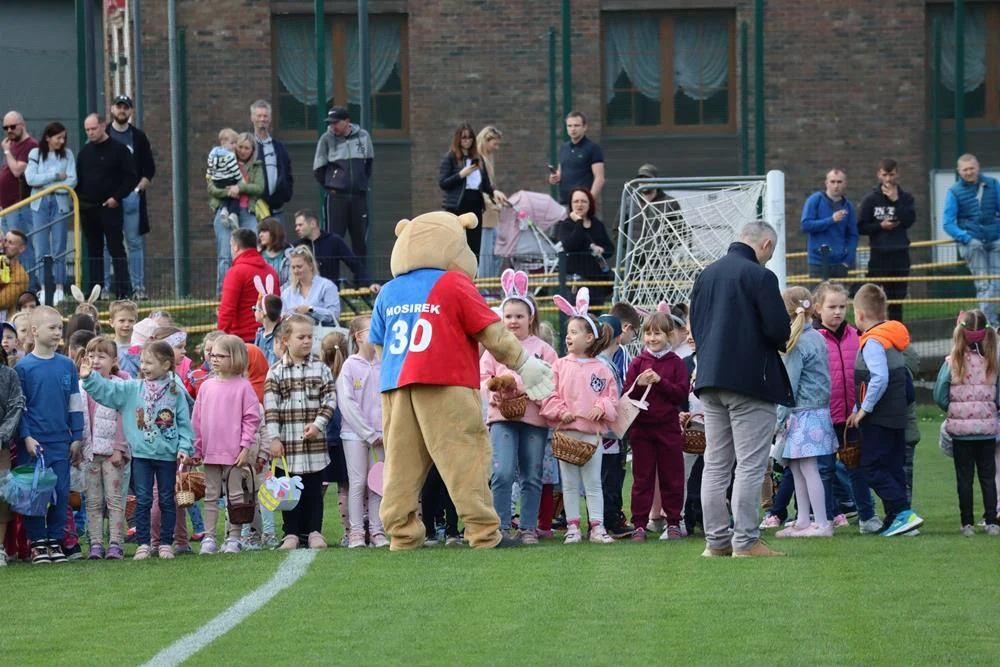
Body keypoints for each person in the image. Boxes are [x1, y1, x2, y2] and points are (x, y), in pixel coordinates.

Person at [689, 220, 793, 558]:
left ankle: (716, 542)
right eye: (771, 252)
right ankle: (746, 541)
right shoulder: (761, 276)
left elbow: (696, 326)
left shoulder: (705, 275)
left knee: (716, 463)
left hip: (709, 379)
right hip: (750, 381)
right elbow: (779, 329)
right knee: (749, 465)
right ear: (765, 246)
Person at [80, 340, 194, 560]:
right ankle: (144, 543)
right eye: (142, 362)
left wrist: (184, 447)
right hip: (141, 456)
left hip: (168, 456)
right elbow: (108, 392)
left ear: (167, 365)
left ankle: (165, 544)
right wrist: (89, 378)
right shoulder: (133, 388)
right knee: (142, 500)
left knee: (167, 500)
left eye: (149, 363)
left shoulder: (175, 391)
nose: (144, 367)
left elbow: (184, 423)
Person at [480, 271, 557, 544]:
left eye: (519, 316)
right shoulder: (493, 349)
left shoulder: (543, 349)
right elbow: (483, 379)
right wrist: (495, 394)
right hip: (501, 417)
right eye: (509, 316)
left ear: (530, 318)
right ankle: (501, 527)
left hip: (534, 419)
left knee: (532, 474)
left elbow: (551, 379)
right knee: (501, 472)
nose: (513, 321)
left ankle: (527, 528)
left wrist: (521, 389)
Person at [846, 283, 924, 536]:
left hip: (879, 418)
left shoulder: (872, 342)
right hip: (897, 416)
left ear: (859, 314)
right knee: (892, 466)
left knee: (871, 467)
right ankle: (898, 519)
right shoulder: (893, 338)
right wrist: (858, 406)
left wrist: (863, 410)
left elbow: (877, 378)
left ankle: (902, 511)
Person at [540, 293, 618, 544]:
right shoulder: (560, 366)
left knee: (593, 482)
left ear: (590, 337)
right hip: (566, 434)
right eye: (568, 332)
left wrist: (602, 406)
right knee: (569, 483)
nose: (568, 336)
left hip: (591, 436)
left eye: (574, 332)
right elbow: (549, 394)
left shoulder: (602, 369)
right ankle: (573, 526)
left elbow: (612, 398)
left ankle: (597, 527)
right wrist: (561, 411)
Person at [15, 306, 84, 564]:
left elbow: (74, 403)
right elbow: (19, 408)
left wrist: (76, 436)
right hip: (33, 444)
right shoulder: (23, 368)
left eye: (59, 328)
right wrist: (26, 436)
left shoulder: (67, 365)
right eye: (52, 328)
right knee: (34, 495)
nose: (58, 333)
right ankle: (38, 543)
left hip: (61, 442)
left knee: (62, 493)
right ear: (35, 331)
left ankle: (55, 540)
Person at [811, 282, 881, 534]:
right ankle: (824, 518)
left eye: (842, 306)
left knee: (856, 468)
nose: (838, 312)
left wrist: (859, 407)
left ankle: (867, 516)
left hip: (852, 416)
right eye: (832, 307)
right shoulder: (812, 338)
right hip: (822, 415)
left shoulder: (857, 336)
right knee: (825, 469)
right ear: (818, 308)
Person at [265, 314, 337, 550]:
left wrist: (318, 424)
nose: (307, 341)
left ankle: (314, 531)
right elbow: (271, 408)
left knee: (314, 490)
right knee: (288, 490)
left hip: (313, 444)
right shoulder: (275, 372)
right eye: (301, 337)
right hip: (287, 445)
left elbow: (330, 399)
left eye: (310, 337)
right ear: (285, 339)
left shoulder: (321, 368)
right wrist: (273, 439)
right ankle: (292, 533)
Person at [771, 287, 837, 538]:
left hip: (802, 414)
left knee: (808, 469)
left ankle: (821, 522)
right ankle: (802, 519)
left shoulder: (796, 343)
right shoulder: (818, 337)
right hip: (814, 412)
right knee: (798, 468)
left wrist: (778, 420)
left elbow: (789, 385)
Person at [190, 334, 262, 554]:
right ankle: (209, 537)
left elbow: (251, 419)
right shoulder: (206, 386)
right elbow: (197, 419)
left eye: (221, 355)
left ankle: (233, 537)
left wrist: (244, 447)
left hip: (234, 453)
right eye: (212, 355)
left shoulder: (243, 387)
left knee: (235, 497)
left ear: (236, 357)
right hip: (211, 452)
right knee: (211, 495)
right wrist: (197, 448)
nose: (214, 359)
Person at [933, 309, 1000, 536]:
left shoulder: (953, 362)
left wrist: (954, 410)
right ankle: (991, 521)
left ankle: (967, 523)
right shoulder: (992, 363)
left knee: (964, 478)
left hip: (961, 432)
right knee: (988, 477)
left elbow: (940, 395)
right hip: (988, 430)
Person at [625, 310, 688, 541]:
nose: (652, 338)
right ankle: (640, 524)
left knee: (672, 476)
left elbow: (680, 395)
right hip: (642, 430)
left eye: (658, 334)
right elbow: (627, 396)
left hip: (668, 428)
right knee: (642, 478)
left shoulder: (676, 363)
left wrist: (661, 382)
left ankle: (673, 522)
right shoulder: (638, 362)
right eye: (648, 333)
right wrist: (639, 384)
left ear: (669, 335)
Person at [337, 315, 389, 549]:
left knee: (377, 482)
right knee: (357, 482)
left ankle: (377, 530)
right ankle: (357, 532)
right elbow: (347, 403)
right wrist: (368, 433)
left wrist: (385, 431)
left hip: (382, 435)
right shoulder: (349, 366)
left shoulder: (384, 363)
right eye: (373, 329)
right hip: (356, 436)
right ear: (359, 336)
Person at [75, 114, 137, 300]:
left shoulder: (119, 151)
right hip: (88, 207)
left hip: (110, 206)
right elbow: (79, 178)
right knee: (93, 249)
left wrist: (116, 197)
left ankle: (123, 290)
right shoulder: (85, 152)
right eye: (87, 129)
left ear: (103, 126)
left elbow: (130, 177)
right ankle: (95, 290)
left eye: (94, 128)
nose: (91, 133)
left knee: (115, 247)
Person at [78, 336, 129, 560]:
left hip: (111, 454)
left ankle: (116, 542)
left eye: (101, 356)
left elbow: (124, 420)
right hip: (89, 453)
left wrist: (119, 448)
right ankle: (96, 543)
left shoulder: (119, 386)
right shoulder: (80, 385)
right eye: (91, 355)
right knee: (93, 501)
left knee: (115, 499)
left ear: (114, 360)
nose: (95, 360)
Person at [107, 95, 156, 300]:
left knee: (134, 243)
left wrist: (137, 191)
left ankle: (138, 287)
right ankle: (105, 288)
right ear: (112, 109)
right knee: (106, 242)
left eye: (126, 108)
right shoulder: (105, 134)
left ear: (130, 111)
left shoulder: (138, 137)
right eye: (119, 107)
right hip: (108, 199)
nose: (122, 111)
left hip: (131, 198)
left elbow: (149, 169)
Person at [943, 154, 1000, 326]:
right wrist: (966, 238)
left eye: (971, 168)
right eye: (965, 169)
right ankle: (989, 322)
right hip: (972, 243)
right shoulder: (954, 191)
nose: (969, 172)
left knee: (996, 282)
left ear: (978, 167)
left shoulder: (992, 184)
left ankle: (985, 321)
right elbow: (947, 222)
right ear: (959, 171)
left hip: (995, 239)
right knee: (984, 283)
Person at [313, 106, 373, 264]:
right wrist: (333, 184)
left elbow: (368, 164)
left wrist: (360, 182)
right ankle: (332, 281)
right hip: (336, 197)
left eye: (336, 122)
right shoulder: (326, 139)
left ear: (347, 121)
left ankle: (362, 283)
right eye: (331, 123)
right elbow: (318, 169)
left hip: (359, 197)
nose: (333, 126)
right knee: (333, 239)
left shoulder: (364, 136)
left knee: (360, 242)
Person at [24, 122, 76, 304]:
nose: (61, 141)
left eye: (63, 138)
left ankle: (60, 287)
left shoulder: (67, 155)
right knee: (41, 247)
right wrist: (55, 177)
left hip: (60, 203)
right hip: (40, 205)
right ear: (48, 137)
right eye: (58, 138)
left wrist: (46, 185)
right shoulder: (35, 154)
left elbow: (71, 181)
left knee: (59, 247)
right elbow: (31, 179)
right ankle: (45, 288)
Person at [858, 158, 915, 322]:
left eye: (891, 174)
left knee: (897, 299)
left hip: (900, 254)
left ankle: (897, 335)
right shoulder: (871, 199)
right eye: (885, 175)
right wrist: (881, 226)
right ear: (879, 175)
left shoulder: (906, 198)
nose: (888, 179)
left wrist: (896, 201)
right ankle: (874, 333)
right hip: (878, 255)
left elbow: (909, 221)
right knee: (873, 297)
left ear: (897, 174)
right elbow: (861, 227)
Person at [210, 132, 265, 295]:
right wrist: (228, 191)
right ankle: (223, 293)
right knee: (226, 254)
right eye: (240, 147)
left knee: (250, 252)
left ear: (252, 150)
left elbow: (259, 188)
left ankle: (251, 291)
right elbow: (212, 187)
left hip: (247, 211)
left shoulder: (256, 167)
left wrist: (240, 188)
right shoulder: (224, 161)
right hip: (224, 210)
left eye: (247, 148)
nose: (243, 151)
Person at [439, 123, 496, 258]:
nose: (467, 141)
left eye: (470, 138)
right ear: (458, 139)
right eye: (464, 138)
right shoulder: (450, 158)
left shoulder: (478, 158)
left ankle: (472, 277)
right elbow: (443, 183)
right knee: (457, 244)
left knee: (474, 246)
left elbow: (486, 184)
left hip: (475, 206)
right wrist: (461, 174)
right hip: (457, 206)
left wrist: (495, 193)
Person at [218, 228, 281, 343]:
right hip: (270, 336)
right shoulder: (271, 271)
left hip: (242, 339)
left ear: (236, 246)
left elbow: (227, 310)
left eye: (231, 246)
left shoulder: (236, 272)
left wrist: (218, 339)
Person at [291, 209, 378, 290]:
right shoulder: (296, 246)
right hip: (304, 292)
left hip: (329, 292)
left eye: (300, 225)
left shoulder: (333, 241)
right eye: (296, 225)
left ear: (313, 223)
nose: (296, 228)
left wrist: (369, 283)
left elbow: (354, 263)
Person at [1, 111, 39, 290]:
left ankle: (29, 287)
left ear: (22, 125)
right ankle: (13, 286)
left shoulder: (30, 145)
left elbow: (17, 171)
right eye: (5, 127)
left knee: (23, 247)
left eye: (12, 126)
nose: (9, 130)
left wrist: (7, 151)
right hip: (7, 206)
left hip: (20, 205)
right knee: (8, 249)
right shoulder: (13, 145)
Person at [319, 331, 351, 546]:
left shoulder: (320, 375)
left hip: (323, 439)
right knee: (345, 488)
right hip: (345, 439)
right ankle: (350, 532)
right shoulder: (349, 373)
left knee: (317, 489)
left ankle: (312, 530)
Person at [557, 187, 615, 304]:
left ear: (590, 204)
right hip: (576, 282)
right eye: (576, 201)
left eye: (583, 201)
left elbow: (610, 249)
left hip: (597, 282)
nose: (580, 204)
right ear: (571, 205)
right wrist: (579, 222)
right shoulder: (566, 225)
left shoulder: (597, 225)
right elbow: (569, 245)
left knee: (595, 316)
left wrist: (601, 250)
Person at [800, 168, 859, 280]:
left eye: (839, 182)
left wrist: (847, 261)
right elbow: (805, 225)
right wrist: (831, 220)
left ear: (845, 184)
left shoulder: (848, 205)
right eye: (832, 182)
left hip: (840, 263)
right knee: (818, 296)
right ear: (826, 183)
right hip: (818, 262)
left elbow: (853, 235)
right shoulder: (815, 200)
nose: (836, 185)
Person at [0, 344, 24, 567]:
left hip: (2, 447)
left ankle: (0, 549)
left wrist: (2, 435)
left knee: (2, 498)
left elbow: (16, 406)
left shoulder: (9, 375)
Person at [548, 111, 605, 205]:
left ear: (585, 127)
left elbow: (600, 178)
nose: (573, 129)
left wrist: (589, 201)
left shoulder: (593, 148)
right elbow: (561, 171)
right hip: (563, 203)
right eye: (569, 126)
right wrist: (555, 177)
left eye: (576, 125)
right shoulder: (564, 147)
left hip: (581, 204)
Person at [475, 125, 510, 278]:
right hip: (486, 216)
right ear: (486, 140)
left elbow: (489, 187)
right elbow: (477, 188)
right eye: (494, 143)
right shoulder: (477, 160)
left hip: (491, 214)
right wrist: (491, 204)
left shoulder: (486, 160)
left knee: (495, 253)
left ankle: (489, 285)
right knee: (486, 255)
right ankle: (485, 287)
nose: (496, 148)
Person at [251, 100, 294, 223]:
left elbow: (287, 172)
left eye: (265, 116)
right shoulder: (246, 145)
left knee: (278, 242)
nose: (262, 119)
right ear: (252, 118)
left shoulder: (279, 147)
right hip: (254, 209)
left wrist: (286, 193)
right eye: (259, 116)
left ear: (269, 119)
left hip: (277, 209)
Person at [281, 245, 340, 325]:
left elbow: (334, 315)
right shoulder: (287, 293)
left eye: (299, 266)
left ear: (311, 266)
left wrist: (310, 310)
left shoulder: (327, 286)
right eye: (293, 267)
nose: (296, 271)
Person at [206, 128, 242, 230]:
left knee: (226, 196)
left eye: (236, 143)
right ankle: (233, 214)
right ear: (223, 142)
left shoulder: (214, 153)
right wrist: (239, 179)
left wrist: (209, 176)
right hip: (228, 179)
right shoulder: (230, 155)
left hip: (217, 180)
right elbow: (234, 169)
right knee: (234, 194)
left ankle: (224, 209)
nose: (235, 146)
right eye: (232, 143)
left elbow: (210, 166)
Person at [0, 230, 30, 315]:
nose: (5, 245)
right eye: (5, 241)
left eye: (10, 243)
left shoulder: (20, 277)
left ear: (21, 248)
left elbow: (2, 302)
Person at [109, 299, 138, 377]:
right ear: (112, 323)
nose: (127, 324)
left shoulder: (139, 347)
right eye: (122, 321)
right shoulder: (109, 348)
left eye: (131, 321)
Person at [258, 217, 291, 282]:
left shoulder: (290, 254)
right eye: (260, 232)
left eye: (264, 231)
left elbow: (293, 281)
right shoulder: (257, 256)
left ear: (275, 232)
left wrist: (276, 291)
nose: (260, 235)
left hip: (285, 291)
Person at [253, 293, 282, 365]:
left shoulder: (279, 336)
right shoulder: (260, 334)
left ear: (263, 313)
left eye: (255, 309)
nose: (254, 312)